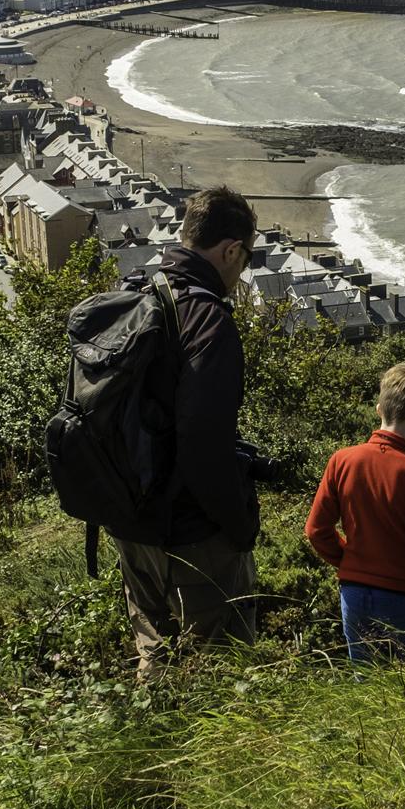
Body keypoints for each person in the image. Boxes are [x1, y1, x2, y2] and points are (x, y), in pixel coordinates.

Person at [111, 185, 265, 675]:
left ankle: (151, 745)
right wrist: (239, 528)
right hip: (190, 532)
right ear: (231, 250)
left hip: (129, 522)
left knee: (155, 653)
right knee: (222, 668)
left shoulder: (136, 294)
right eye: (244, 260)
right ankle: (218, 755)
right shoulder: (208, 320)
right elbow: (204, 447)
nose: (241, 272)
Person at [304, 363, 405, 664]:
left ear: (380, 409)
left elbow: (316, 530)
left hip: (354, 595)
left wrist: (348, 561)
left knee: (367, 688)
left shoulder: (342, 461)